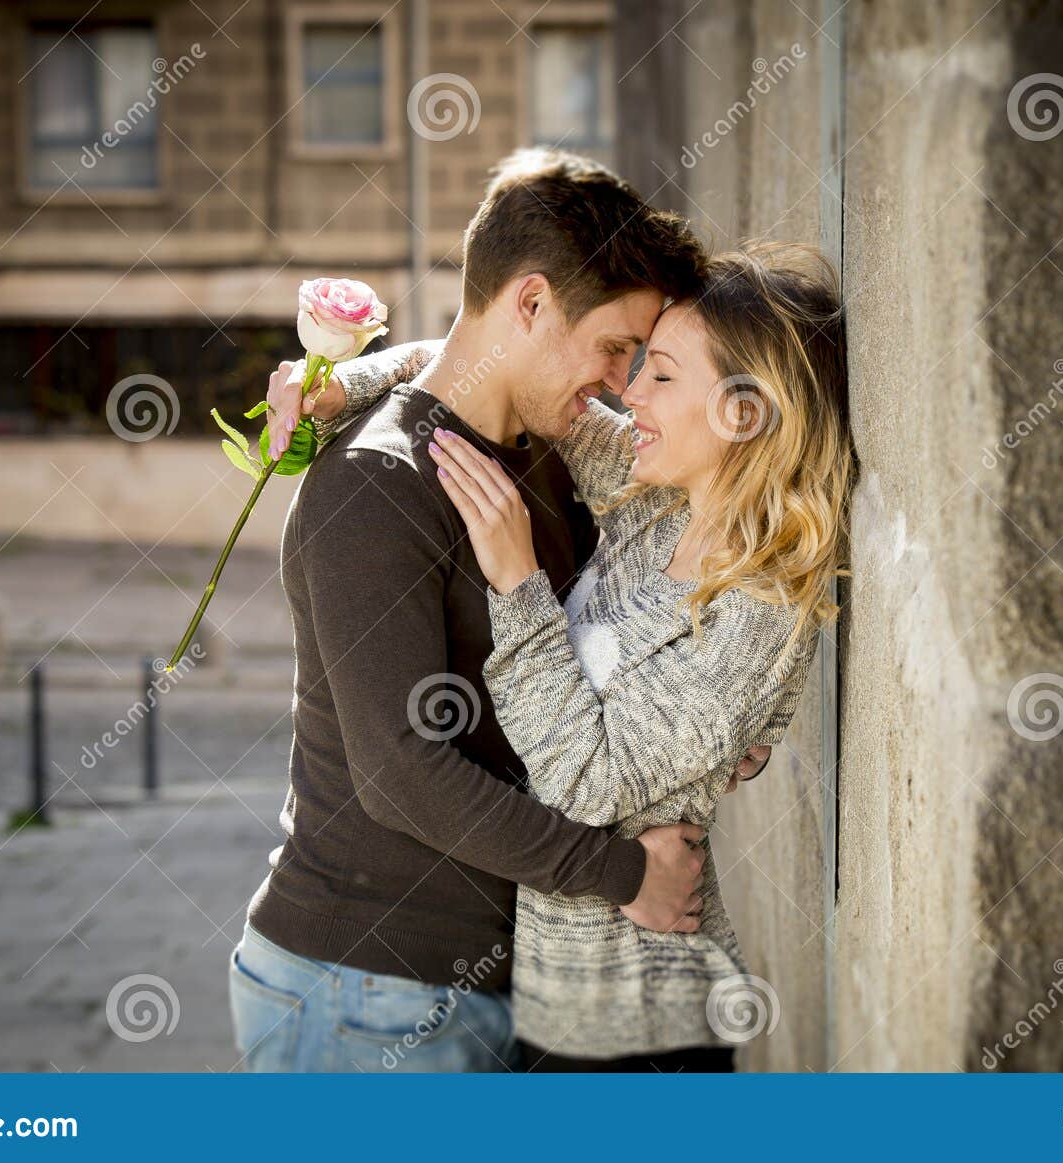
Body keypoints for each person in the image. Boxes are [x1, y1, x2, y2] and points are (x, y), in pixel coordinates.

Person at [269, 239, 852, 1070]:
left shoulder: (756, 615)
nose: (627, 391)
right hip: (545, 1001)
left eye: (660, 374)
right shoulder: (656, 504)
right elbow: (497, 368)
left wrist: (518, 583)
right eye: (632, 361)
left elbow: (581, 781)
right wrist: (345, 383)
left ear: (744, 412)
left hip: (631, 1025)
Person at [228, 149, 717, 1073]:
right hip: (358, 994)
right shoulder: (374, 485)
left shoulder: (539, 453)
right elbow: (401, 770)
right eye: (615, 345)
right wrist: (625, 876)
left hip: (479, 987)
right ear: (530, 303)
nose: (620, 381)